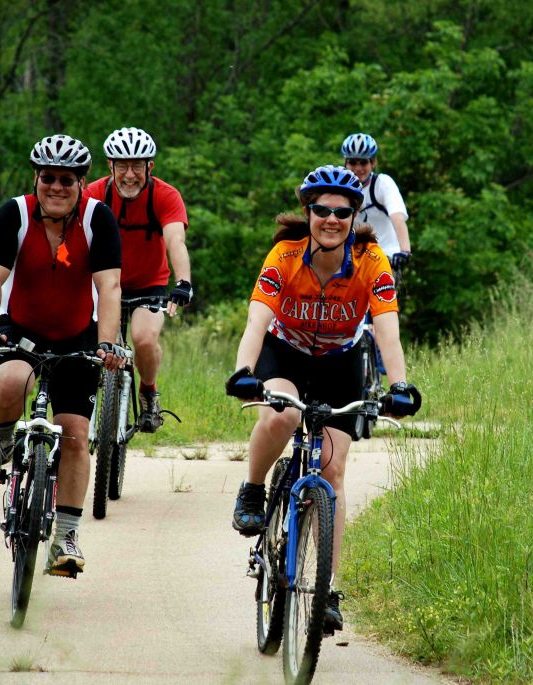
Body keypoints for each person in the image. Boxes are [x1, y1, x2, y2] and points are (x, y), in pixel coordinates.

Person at [224, 165, 422, 634]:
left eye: (342, 212)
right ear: (307, 212)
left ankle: (327, 590)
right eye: (321, 210)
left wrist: (399, 385)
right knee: (282, 418)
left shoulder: (373, 262)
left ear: (355, 215)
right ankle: (254, 487)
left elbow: (388, 333)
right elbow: (256, 321)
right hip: (284, 352)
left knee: (333, 470)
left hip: (340, 361)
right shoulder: (284, 255)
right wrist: (244, 372)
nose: (331, 219)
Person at [0, 134, 128, 573]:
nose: (56, 188)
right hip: (21, 330)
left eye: (67, 180)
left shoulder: (99, 220)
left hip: (79, 337)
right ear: (36, 179)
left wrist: (108, 343)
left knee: (75, 432)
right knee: (10, 381)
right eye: (48, 178)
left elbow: (109, 287)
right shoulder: (13, 214)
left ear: (81, 183)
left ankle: (66, 539)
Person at [84, 127, 192, 433]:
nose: (129, 174)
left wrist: (183, 281)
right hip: (104, 286)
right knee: (89, 347)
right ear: (110, 167)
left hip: (150, 285)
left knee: (144, 339)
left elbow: (176, 242)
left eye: (137, 166)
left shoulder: (165, 195)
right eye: (122, 166)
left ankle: (148, 393)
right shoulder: (93, 194)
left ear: (150, 167)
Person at [341, 133, 411, 277]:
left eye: (363, 162)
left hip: (386, 256)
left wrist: (404, 251)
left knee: (382, 295)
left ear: (373, 162)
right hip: (353, 258)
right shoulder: (341, 188)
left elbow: (397, 216)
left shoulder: (382, 184)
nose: (358, 168)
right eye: (353, 162)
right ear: (346, 163)